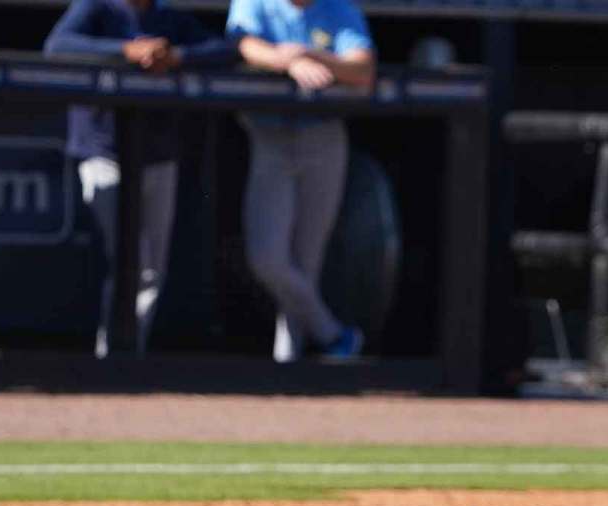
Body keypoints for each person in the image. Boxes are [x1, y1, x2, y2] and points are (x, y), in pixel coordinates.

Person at [43, 0, 237, 358]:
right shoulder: (97, 8)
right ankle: (110, 356)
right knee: (122, 260)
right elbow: (58, 45)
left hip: (158, 156)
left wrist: (176, 56)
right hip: (103, 153)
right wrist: (127, 50)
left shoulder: (168, 18)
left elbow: (226, 49)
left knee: (150, 269)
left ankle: (128, 355)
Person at [226, 0, 375, 361]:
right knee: (267, 257)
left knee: (307, 262)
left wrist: (312, 56)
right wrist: (287, 60)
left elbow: (363, 71)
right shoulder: (255, 3)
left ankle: (288, 362)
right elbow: (242, 44)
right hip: (269, 136)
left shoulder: (338, 8)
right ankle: (333, 333)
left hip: (322, 136)